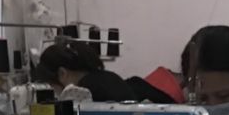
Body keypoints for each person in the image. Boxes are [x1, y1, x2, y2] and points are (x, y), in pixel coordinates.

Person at [35, 40, 173, 104]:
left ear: (62, 74)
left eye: (52, 86)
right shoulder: (108, 77)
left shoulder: (84, 92)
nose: (56, 93)